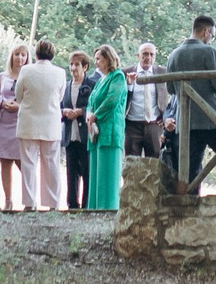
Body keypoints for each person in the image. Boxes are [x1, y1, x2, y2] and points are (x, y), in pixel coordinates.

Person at [164, 16, 216, 194]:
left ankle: (190, 205)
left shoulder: (174, 55)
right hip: (210, 117)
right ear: (206, 32)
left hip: (185, 121)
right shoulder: (208, 52)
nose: (211, 39)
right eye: (213, 36)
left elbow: (171, 89)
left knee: (191, 168)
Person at [15, 41, 68, 210]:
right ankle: (53, 202)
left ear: (36, 53)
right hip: (51, 122)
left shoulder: (26, 70)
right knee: (52, 164)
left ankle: (30, 203)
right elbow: (59, 97)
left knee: (28, 164)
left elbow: (18, 95)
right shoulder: (60, 73)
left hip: (28, 122)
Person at [85, 45, 128, 211]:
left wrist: (96, 114)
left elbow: (112, 99)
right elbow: (91, 100)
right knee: (96, 171)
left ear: (108, 58)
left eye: (98, 59)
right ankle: (95, 207)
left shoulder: (118, 77)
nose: (96, 63)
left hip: (110, 130)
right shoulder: (101, 79)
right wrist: (89, 113)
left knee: (108, 171)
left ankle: (108, 208)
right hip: (96, 131)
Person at [0, 45, 29, 211]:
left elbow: (33, 98)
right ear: (11, 56)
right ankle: (7, 200)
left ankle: (30, 198)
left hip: (22, 123)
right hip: (5, 122)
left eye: (23, 55)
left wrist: (20, 106)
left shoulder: (29, 76)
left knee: (24, 162)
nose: (20, 58)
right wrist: (2, 102)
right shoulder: (2, 76)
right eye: (16, 54)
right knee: (5, 162)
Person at [62, 50, 96, 208]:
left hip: (85, 135)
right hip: (70, 135)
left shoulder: (92, 85)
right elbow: (59, 106)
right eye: (71, 64)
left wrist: (81, 111)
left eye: (76, 64)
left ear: (85, 67)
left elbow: (95, 106)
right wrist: (64, 112)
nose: (73, 68)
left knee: (87, 173)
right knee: (71, 173)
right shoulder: (66, 85)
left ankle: (87, 205)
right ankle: (72, 205)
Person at [126, 43, 166, 160]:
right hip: (132, 126)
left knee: (154, 166)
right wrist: (129, 84)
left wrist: (166, 116)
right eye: (144, 54)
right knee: (132, 167)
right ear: (138, 56)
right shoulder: (126, 72)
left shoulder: (163, 72)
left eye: (151, 54)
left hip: (154, 125)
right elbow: (121, 100)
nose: (148, 57)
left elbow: (173, 96)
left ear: (155, 57)